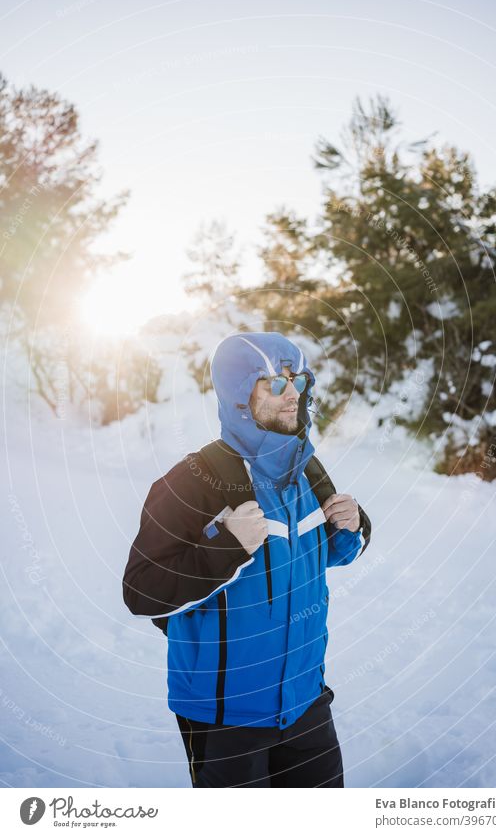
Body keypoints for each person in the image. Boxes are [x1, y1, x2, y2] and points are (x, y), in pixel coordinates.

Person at [123, 331, 372, 787]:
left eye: (296, 379)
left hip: (305, 701)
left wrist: (351, 528)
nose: (292, 392)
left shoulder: (306, 468)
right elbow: (142, 591)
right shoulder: (193, 480)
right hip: (224, 717)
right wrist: (227, 546)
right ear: (240, 397)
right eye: (274, 383)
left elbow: (314, 553)